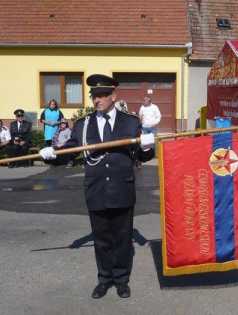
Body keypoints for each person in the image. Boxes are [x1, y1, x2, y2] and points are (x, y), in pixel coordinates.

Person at [39, 74, 155, 299]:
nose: (97, 100)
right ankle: (104, 279)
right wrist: (51, 155)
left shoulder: (130, 122)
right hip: (96, 188)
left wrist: (148, 148)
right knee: (101, 239)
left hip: (122, 187)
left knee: (122, 238)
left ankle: (121, 279)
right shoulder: (84, 125)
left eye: (102, 95)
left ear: (114, 95)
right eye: (94, 96)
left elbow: (139, 154)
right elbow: (69, 150)